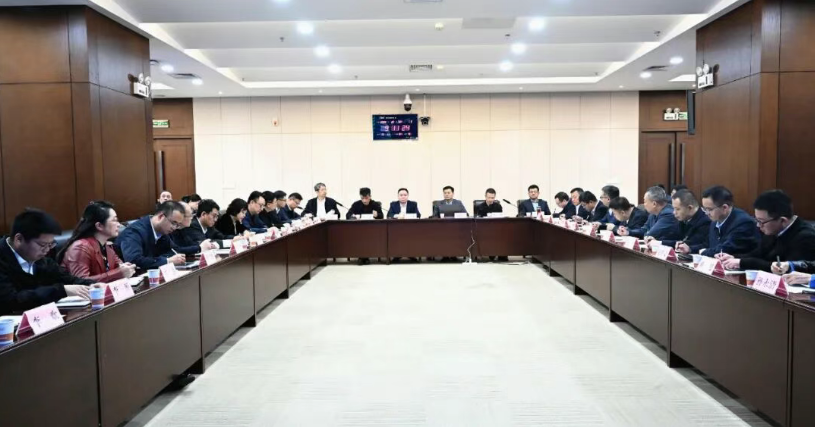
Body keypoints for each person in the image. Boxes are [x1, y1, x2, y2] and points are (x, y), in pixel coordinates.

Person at [0, 209, 96, 314]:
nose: (47, 250)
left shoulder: (40, 257)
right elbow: (12, 300)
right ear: (19, 239)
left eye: (51, 244)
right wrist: (61, 290)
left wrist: (92, 285)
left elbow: (67, 279)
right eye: (42, 245)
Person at [720, 190, 815, 272]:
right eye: (757, 220)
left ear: (783, 220)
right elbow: (758, 254)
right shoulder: (772, 229)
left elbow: (782, 269)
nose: (758, 225)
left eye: (761, 221)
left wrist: (742, 262)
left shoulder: (805, 237)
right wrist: (734, 257)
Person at [58, 201, 136, 283]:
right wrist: (118, 274)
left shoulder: (106, 245)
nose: (119, 224)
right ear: (99, 226)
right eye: (114, 220)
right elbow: (81, 282)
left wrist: (126, 268)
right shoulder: (80, 247)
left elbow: (119, 266)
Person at [117, 201, 188, 270]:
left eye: (177, 225)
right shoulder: (135, 231)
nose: (174, 228)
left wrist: (173, 258)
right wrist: (167, 261)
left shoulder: (162, 231)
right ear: (160, 217)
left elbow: (171, 251)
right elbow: (134, 260)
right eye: (173, 223)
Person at [698, 185, 760, 256]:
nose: (706, 213)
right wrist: (691, 249)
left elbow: (726, 250)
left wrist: (704, 252)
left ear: (724, 208)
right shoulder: (715, 221)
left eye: (709, 209)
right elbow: (708, 245)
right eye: (704, 209)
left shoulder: (743, 223)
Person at [649, 190, 711, 254]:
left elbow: (688, 243)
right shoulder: (683, 219)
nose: (674, 212)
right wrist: (656, 240)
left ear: (690, 208)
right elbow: (674, 237)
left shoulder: (705, 222)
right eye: (673, 208)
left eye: (677, 209)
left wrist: (660, 243)